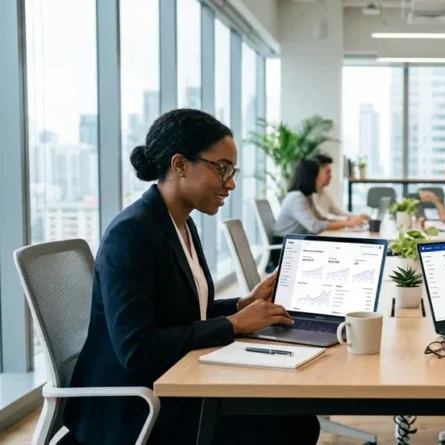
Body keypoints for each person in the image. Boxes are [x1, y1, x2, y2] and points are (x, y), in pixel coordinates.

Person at [62, 109, 320, 445]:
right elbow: (137, 350)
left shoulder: (180, 223)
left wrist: (241, 305)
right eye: (222, 168)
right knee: (292, 427)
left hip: (175, 382)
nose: (231, 182)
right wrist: (234, 324)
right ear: (180, 164)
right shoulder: (131, 234)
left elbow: (182, 313)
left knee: (296, 418)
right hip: (137, 409)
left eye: (232, 171)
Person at [311, 153, 369, 222]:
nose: (330, 176)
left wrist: (357, 216)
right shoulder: (310, 194)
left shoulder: (323, 191)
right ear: (317, 172)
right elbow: (322, 216)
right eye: (327, 172)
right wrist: (349, 220)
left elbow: (336, 211)